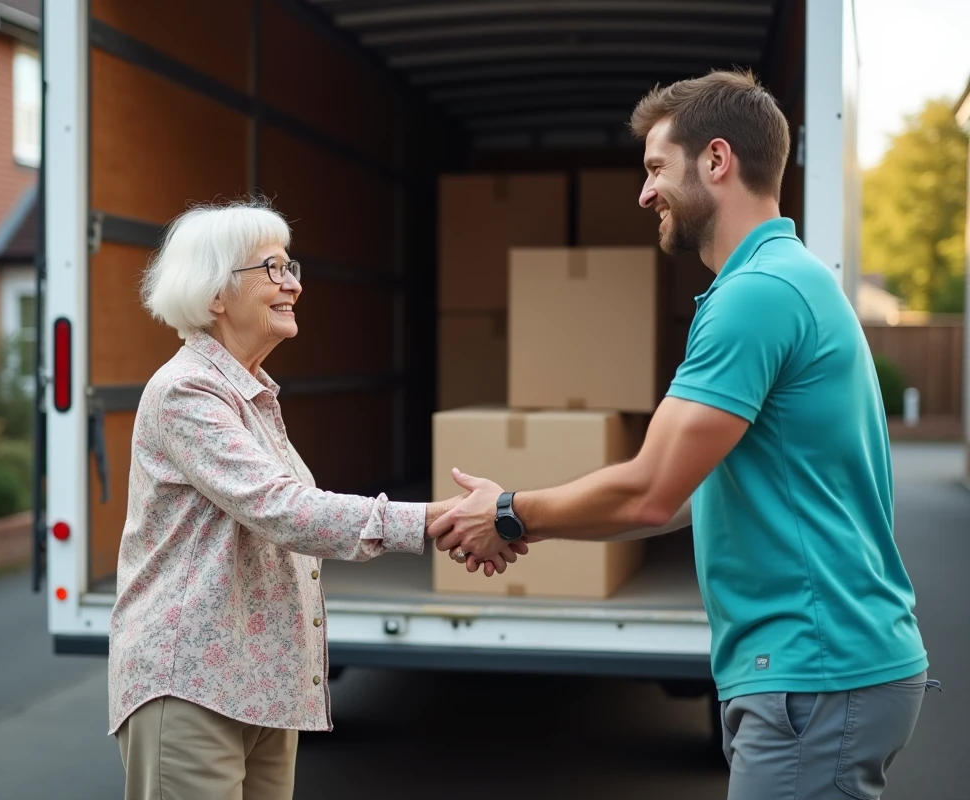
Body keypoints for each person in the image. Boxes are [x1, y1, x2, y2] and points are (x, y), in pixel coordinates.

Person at [428, 70, 934, 800]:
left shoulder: (756, 297)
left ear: (718, 160)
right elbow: (681, 497)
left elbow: (649, 492)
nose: (644, 193)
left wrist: (508, 512)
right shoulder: (785, 281)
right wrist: (533, 521)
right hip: (822, 669)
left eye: (657, 168)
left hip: (815, 669)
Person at [106, 198, 527, 800]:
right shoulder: (187, 391)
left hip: (263, 685)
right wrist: (437, 519)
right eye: (272, 270)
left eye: (291, 268)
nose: (293, 286)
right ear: (214, 293)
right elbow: (285, 510)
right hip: (192, 685)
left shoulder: (251, 395)